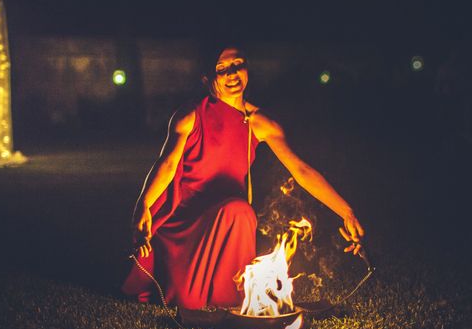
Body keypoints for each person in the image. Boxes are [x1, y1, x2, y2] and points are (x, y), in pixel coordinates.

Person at [122, 47, 365, 309]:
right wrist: (144, 205)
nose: (232, 74)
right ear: (207, 78)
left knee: (240, 212)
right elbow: (168, 164)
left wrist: (346, 212)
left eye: (237, 64)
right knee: (187, 303)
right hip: (187, 221)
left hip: (230, 218)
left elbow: (301, 170)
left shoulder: (260, 123)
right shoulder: (190, 115)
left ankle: (234, 297)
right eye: (222, 69)